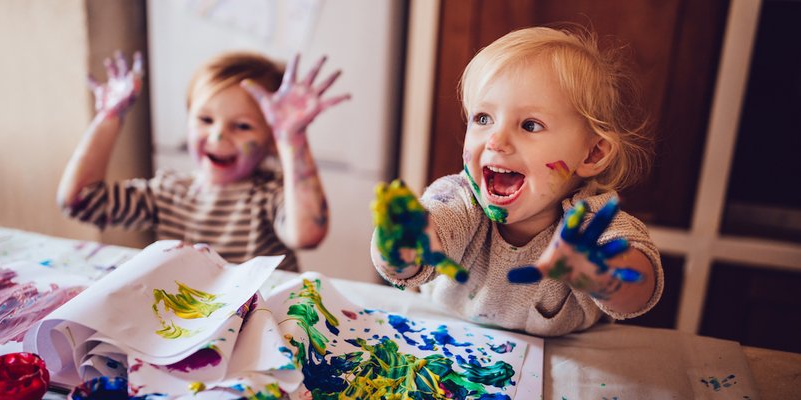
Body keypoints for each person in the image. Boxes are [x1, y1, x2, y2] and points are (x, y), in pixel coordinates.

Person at [370, 26, 663, 336]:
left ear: (591, 154)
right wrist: (398, 248)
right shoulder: (460, 199)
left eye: (530, 125)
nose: (496, 140)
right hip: (445, 343)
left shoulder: (588, 225)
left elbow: (639, 292)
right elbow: (411, 259)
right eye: (483, 118)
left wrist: (603, 275)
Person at [57, 51, 349, 271]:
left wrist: (292, 138)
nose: (218, 135)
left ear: (272, 140)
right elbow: (80, 201)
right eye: (205, 119)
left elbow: (308, 234)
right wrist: (109, 118)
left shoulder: (269, 197)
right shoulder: (168, 192)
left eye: (243, 126)